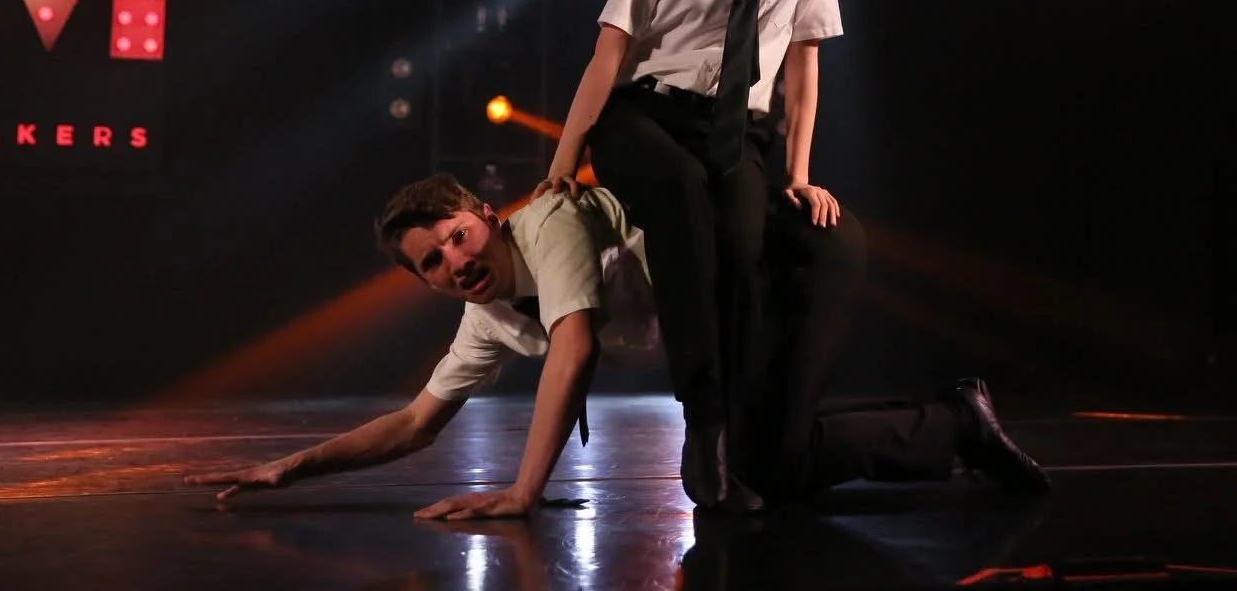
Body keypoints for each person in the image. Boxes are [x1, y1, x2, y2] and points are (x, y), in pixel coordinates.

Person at [184, 172, 1049, 519]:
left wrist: (523, 491)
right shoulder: (487, 316)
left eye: (456, 236)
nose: (455, 261)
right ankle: (955, 422)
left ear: (486, 216)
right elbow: (415, 424)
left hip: (793, 258)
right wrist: (292, 467)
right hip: (731, 319)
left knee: (757, 465)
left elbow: (576, 348)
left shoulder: (548, 221)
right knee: (751, 472)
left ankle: (955, 423)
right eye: (432, 262)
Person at [538, 0, 844, 510]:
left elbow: (803, 65)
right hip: (646, 115)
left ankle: (735, 427)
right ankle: (702, 424)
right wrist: (563, 161)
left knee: (742, 250)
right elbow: (609, 53)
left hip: (737, 128)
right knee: (681, 196)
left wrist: (798, 173)